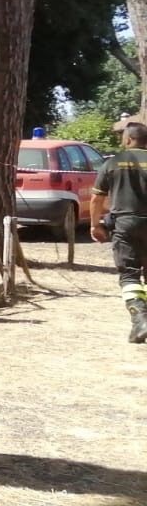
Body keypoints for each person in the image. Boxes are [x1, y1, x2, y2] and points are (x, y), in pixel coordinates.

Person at [89, 121, 147, 343]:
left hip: (125, 223)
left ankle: (140, 320)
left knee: (129, 273)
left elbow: (97, 198)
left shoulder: (114, 162)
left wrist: (95, 225)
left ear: (129, 139)